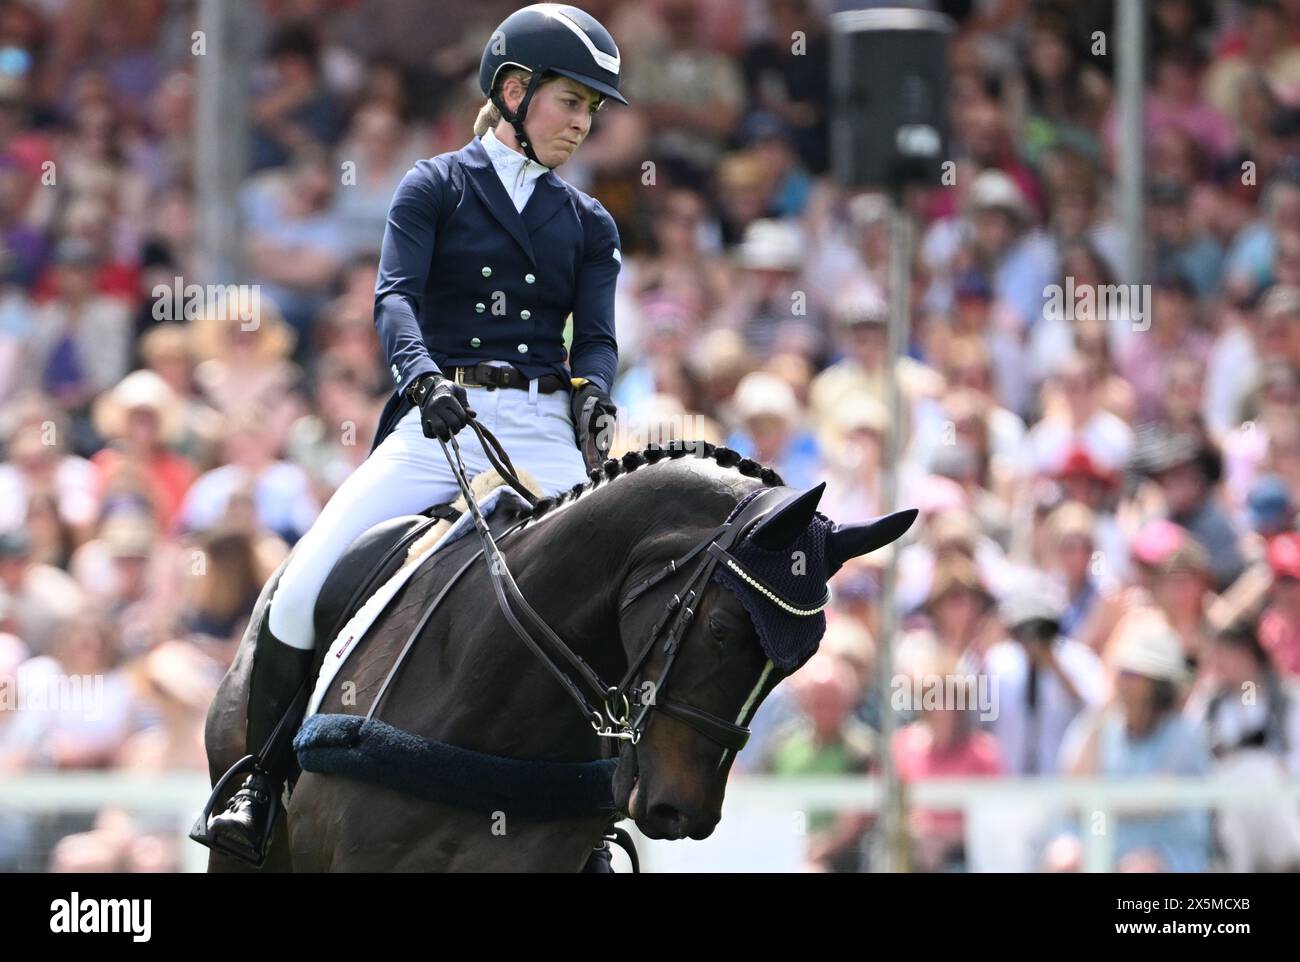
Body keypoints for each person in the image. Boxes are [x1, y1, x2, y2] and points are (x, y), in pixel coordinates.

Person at [196, 4, 626, 865]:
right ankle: (259, 778)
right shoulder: (435, 186)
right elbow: (394, 297)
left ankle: (605, 812)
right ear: (513, 91)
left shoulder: (590, 225)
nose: (582, 124)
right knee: (301, 586)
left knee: (616, 600)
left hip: (544, 430)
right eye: (570, 102)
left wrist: (597, 397)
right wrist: (421, 377)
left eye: (591, 110)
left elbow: (600, 339)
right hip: (440, 420)